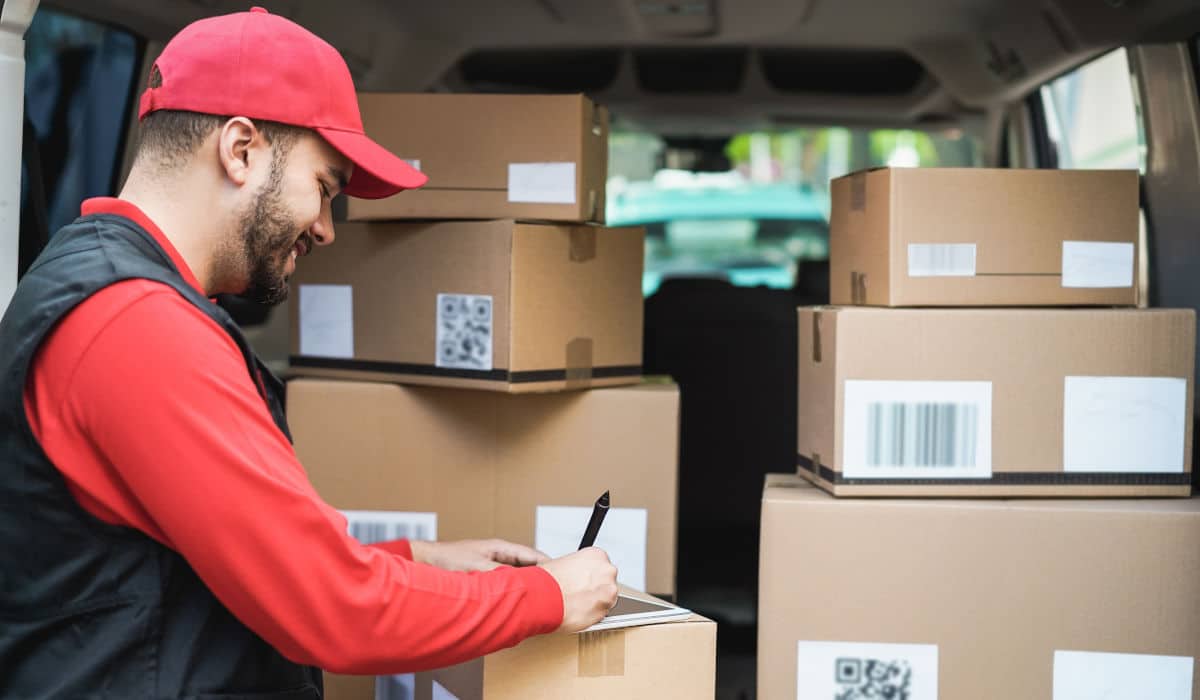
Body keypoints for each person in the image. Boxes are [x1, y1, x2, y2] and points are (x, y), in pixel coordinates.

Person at [0, 7, 618, 698]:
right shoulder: (136, 325)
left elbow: (215, 572)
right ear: (240, 150)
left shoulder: (101, 285)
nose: (326, 229)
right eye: (323, 188)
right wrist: (549, 597)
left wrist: (420, 560)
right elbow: (334, 610)